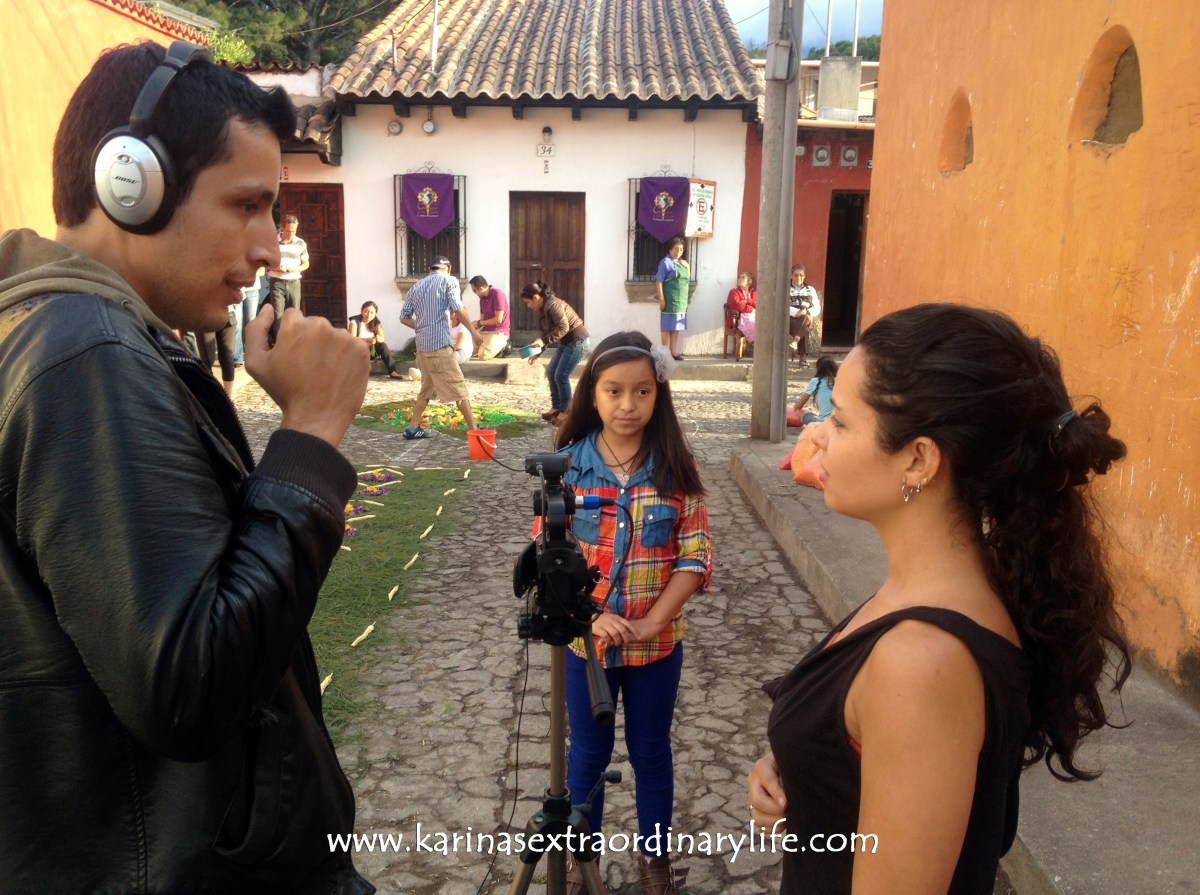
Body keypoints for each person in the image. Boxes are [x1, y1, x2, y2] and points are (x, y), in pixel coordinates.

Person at [0, 40, 374, 892]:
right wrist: (313, 435)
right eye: (247, 205)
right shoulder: (86, 355)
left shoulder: (77, 338)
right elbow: (191, 683)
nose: (270, 247)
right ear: (128, 184)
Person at [747, 304, 1130, 894]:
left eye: (841, 422)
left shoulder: (922, 660)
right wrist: (799, 768)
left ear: (919, 459)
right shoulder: (924, 596)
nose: (816, 431)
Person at [552, 331, 712, 895]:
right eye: (614, 391)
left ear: (657, 395)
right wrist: (587, 617)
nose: (627, 405)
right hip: (585, 648)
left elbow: (694, 555)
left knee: (651, 753)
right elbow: (553, 559)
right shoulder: (567, 468)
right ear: (591, 394)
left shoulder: (677, 466)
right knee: (587, 756)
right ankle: (581, 859)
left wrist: (652, 622)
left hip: (656, 649)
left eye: (641, 392)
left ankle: (655, 862)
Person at [399, 255, 481, 439]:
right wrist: (474, 333)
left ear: (430, 268)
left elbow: (404, 317)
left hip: (422, 348)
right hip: (439, 347)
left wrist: (420, 326)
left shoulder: (415, 287)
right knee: (459, 389)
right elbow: (457, 308)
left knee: (426, 389)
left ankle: (412, 428)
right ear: (449, 268)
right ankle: (474, 431)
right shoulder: (449, 280)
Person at [520, 281, 589, 427]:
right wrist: (537, 352)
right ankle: (557, 408)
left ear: (536, 298)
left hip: (577, 342)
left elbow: (563, 327)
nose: (528, 306)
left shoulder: (553, 305)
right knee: (551, 371)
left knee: (561, 375)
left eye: (528, 302)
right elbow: (546, 334)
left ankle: (568, 413)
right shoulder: (543, 309)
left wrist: (544, 340)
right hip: (566, 343)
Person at [347, 299, 405, 379]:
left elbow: (382, 338)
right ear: (361, 311)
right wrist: (367, 339)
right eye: (366, 311)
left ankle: (392, 371)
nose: (368, 314)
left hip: (371, 352)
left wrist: (378, 338)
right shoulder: (354, 322)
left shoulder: (376, 323)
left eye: (372, 312)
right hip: (357, 352)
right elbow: (351, 339)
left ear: (375, 313)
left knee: (383, 345)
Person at [266, 212, 308, 316]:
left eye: (294, 231)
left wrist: (295, 269)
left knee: (294, 315)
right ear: (282, 228)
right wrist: (276, 268)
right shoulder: (272, 242)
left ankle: (293, 333)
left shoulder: (301, 243)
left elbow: (306, 263)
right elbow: (265, 263)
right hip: (277, 282)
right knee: (278, 316)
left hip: (294, 282)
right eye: (289, 231)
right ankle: (279, 333)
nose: (291, 234)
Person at [656, 236, 690, 360]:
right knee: (666, 326)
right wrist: (661, 299)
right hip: (670, 300)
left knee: (676, 327)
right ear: (670, 249)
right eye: (676, 249)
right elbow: (659, 281)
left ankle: (673, 352)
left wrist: (687, 267)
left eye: (681, 249)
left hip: (681, 301)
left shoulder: (683, 263)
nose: (678, 252)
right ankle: (665, 353)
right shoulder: (665, 262)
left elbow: (687, 280)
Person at [469, 274, 510, 359]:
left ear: (480, 288)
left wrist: (479, 323)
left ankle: (504, 345)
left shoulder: (497, 294)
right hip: (485, 332)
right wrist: (475, 326)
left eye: (474, 291)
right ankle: (491, 348)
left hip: (498, 332)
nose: (474, 293)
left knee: (483, 355)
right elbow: (483, 320)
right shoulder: (482, 298)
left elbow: (498, 319)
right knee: (468, 352)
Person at [788, 263, 822, 363]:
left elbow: (817, 306)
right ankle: (802, 358)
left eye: (801, 275)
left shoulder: (810, 289)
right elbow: (782, 305)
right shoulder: (785, 288)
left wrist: (807, 312)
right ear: (791, 276)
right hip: (789, 318)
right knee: (804, 329)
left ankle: (796, 340)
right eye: (796, 275)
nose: (798, 277)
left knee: (804, 319)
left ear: (804, 276)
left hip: (806, 316)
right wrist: (796, 312)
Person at [793, 355, 838, 424]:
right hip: (840, 423)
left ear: (818, 368)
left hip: (823, 424)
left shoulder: (815, 381)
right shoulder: (840, 381)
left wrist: (795, 406)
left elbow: (799, 406)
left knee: (799, 411)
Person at [725, 270, 757, 355]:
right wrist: (751, 309)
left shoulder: (753, 292)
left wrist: (747, 301)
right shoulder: (734, 292)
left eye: (743, 277)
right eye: (739, 277)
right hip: (738, 319)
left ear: (749, 281)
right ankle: (758, 348)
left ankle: (759, 348)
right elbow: (736, 304)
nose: (739, 278)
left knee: (762, 325)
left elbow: (758, 304)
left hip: (754, 317)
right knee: (755, 326)